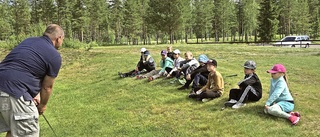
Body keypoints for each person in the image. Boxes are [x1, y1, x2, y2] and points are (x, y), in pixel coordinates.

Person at [0, 24, 64, 137]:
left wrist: (33, 94)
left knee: (15, 128)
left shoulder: (28, 41)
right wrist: (42, 105)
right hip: (14, 91)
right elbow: (47, 87)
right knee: (26, 132)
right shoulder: (54, 56)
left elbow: (23, 67)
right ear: (58, 38)